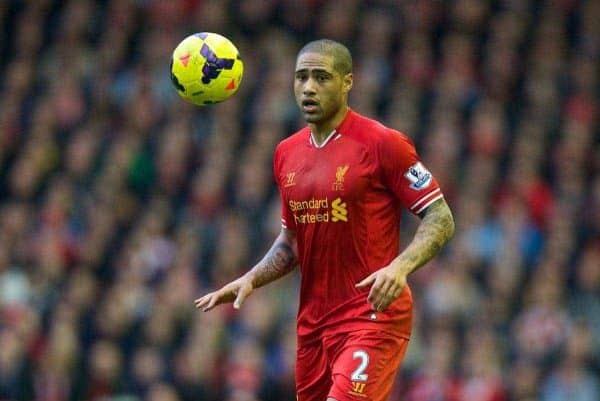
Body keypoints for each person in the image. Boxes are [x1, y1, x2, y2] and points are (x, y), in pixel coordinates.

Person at [195, 39, 455, 401]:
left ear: (348, 82)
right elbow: (291, 242)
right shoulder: (286, 153)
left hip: (372, 314)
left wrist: (400, 268)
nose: (308, 88)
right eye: (301, 77)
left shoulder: (383, 143)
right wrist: (251, 278)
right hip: (314, 325)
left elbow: (440, 217)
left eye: (321, 77)